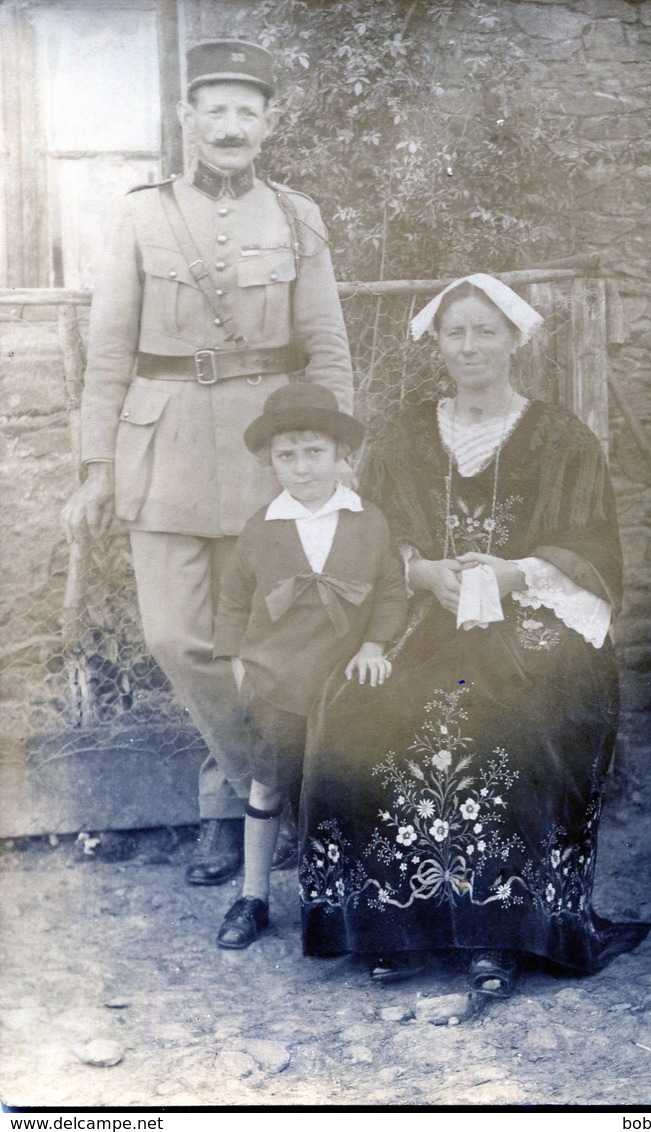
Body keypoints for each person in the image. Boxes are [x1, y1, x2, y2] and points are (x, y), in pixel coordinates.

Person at [299, 273, 651, 993]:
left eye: (484, 331)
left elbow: (595, 550)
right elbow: (369, 535)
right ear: (436, 343)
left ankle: (503, 930)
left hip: (531, 618)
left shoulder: (561, 438)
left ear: (513, 341)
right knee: (357, 704)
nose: (469, 346)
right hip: (419, 617)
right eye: (454, 332)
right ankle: (390, 921)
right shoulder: (402, 436)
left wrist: (516, 571)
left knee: (516, 709)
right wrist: (418, 570)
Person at [60, 40, 354, 885]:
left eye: (246, 111)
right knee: (176, 637)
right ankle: (269, 789)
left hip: (274, 454)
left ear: (269, 123)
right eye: (213, 111)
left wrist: (338, 458)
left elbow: (327, 346)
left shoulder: (298, 216)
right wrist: (95, 463)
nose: (230, 127)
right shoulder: (142, 215)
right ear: (186, 121)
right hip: (164, 448)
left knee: (264, 640)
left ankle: (225, 820)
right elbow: (108, 349)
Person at [210, 382, 407, 949]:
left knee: (347, 785)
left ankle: (354, 899)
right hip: (276, 679)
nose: (301, 468)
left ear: (341, 455)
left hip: (343, 682)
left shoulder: (368, 521)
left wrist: (374, 646)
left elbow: (392, 592)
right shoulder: (261, 527)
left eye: (314, 452)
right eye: (286, 455)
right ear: (272, 462)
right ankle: (253, 896)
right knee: (268, 782)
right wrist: (237, 658)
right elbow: (233, 597)